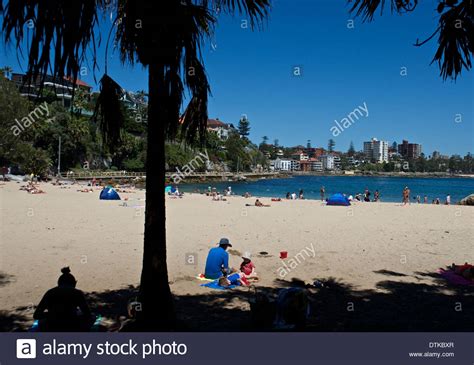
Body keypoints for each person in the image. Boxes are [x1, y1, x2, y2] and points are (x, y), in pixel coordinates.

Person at [34, 267, 93, 331]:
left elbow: (36, 315)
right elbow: (88, 314)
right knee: (91, 318)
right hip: (72, 325)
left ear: (58, 283)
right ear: (74, 283)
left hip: (52, 325)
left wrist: (52, 314)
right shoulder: (77, 293)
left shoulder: (50, 292)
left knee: (41, 322)